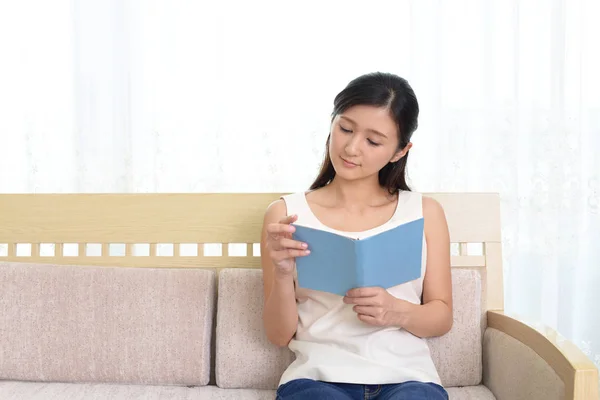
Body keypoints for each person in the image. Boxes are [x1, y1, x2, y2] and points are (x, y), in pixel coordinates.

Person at [260, 72, 452, 400]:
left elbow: (442, 316)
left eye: (373, 141)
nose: (350, 147)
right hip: (316, 380)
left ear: (399, 151)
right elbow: (280, 335)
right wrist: (281, 274)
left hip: (408, 379)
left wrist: (397, 310)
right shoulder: (285, 214)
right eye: (345, 128)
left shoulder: (424, 212)